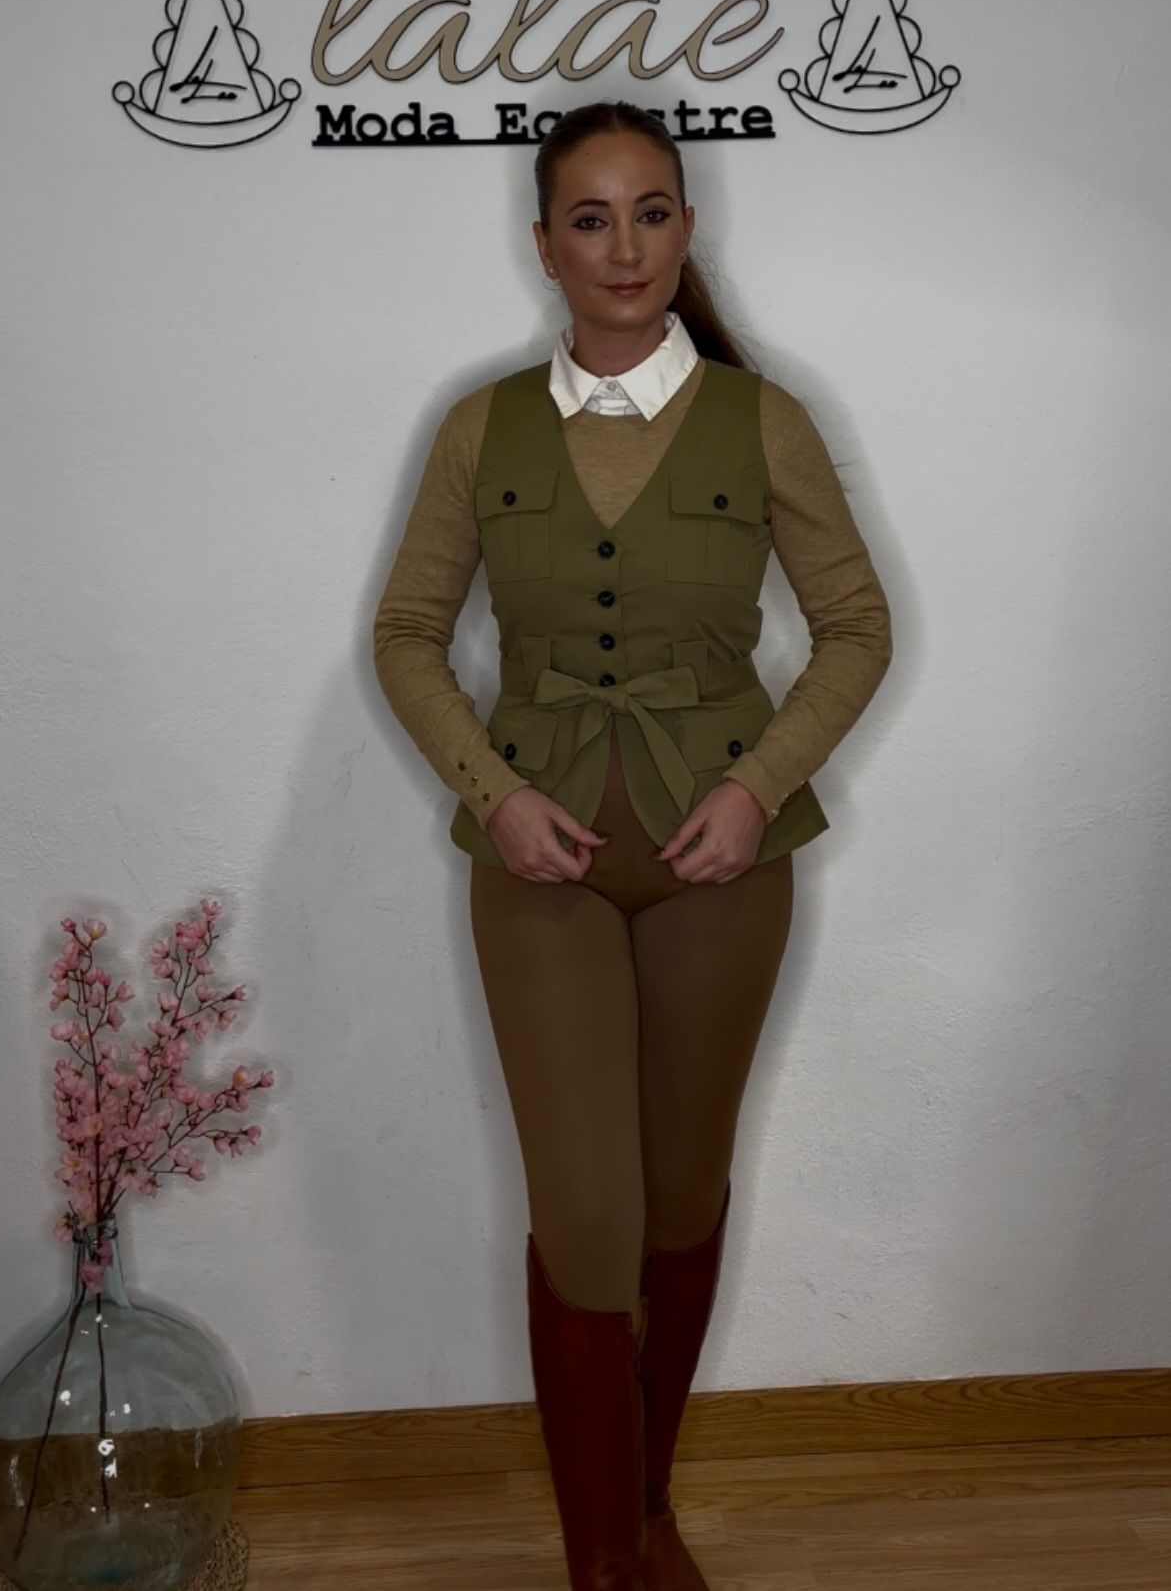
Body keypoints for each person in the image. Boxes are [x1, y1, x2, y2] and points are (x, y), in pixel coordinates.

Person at [372, 99, 893, 1591]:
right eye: (590, 219)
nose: (624, 246)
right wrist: (492, 791)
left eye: (651, 212)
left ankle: (647, 1506)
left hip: (719, 866)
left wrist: (758, 786)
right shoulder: (479, 427)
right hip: (538, 862)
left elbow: (857, 627)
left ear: (687, 228)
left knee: (678, 1198)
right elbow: (407, 634)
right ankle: (602, 1561)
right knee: (588, 1212)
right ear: (543, 244)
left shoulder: (763, 419)